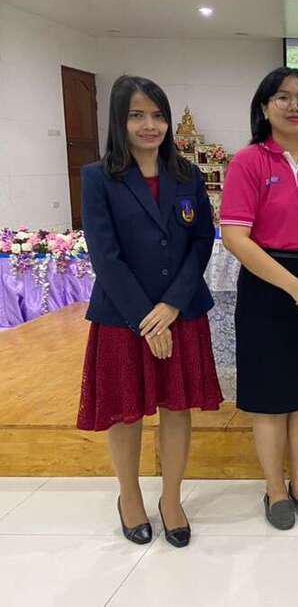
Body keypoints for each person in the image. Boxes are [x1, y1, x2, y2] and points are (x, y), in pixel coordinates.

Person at [78, 75, 222, 548]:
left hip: (181, 313)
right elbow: (105, 256)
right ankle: (130, 497)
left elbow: (201, 241)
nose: (150, 125)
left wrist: (172, 304)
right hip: (124, 318)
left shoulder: (187, 174)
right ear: (119, 121)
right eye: (137, 115)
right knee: (126, 413)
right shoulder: (98, 177)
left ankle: (172, 499)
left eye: (158, 116)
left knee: (177, 409)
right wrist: (146, 317)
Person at [220, 67, 298, 530]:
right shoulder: (249, 161)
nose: (295, 106)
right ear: (264, 106)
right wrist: (293, 286)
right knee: (271, 398)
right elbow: (236, 237)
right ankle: (275, 489)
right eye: (283, 97)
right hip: (268, 287)